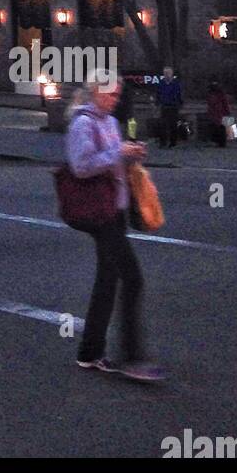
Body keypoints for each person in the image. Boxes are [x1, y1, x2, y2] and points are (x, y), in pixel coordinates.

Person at [66, 69, 166, 382]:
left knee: (108, 281)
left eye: (117, 95)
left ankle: (90, 352)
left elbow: (112, 161)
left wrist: (130, 156)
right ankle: (132, 357)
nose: (114, 100)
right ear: (94, 92)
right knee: (132, 278)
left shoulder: (110, 123)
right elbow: (81, 167)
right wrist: (117, 153)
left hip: (116, 208)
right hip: (101, 213)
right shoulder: (82, 123)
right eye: (109, 94)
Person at [156, 65, 183, 148]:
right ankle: (162, 142)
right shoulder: (161, 83)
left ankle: (173, 143)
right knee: (162, 125)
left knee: (173, 125)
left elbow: (179, 95)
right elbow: (158, 94)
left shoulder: (176, 83)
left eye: (168, 73)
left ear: (172, 74)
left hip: (173, 106)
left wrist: (180, 104)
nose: (167, 75)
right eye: (165, 73)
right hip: (164, 106)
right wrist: (157, 103)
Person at [206, 83, 232, 148]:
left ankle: (218, 142)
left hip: (216, 113)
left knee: (217, 128)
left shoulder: (211, 95)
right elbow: (225, 104)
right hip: (220, 113)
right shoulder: (221, 95)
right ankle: (222, 142)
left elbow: (210, 104)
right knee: (222, 128)